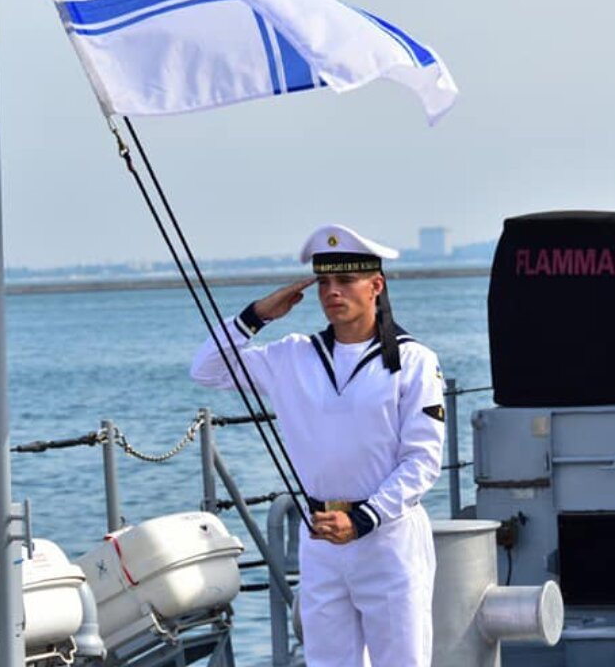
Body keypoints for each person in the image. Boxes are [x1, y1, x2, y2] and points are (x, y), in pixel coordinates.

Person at [190, 223, 446, 667]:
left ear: (376, 286)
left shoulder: (413, 362)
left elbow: (422, 461)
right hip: (321, 538)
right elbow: (206, 370)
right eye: (324, 282)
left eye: (345, 280)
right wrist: (257, 315)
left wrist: (363, 520)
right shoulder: (293, 357)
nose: (332, 292)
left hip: (387, 538)